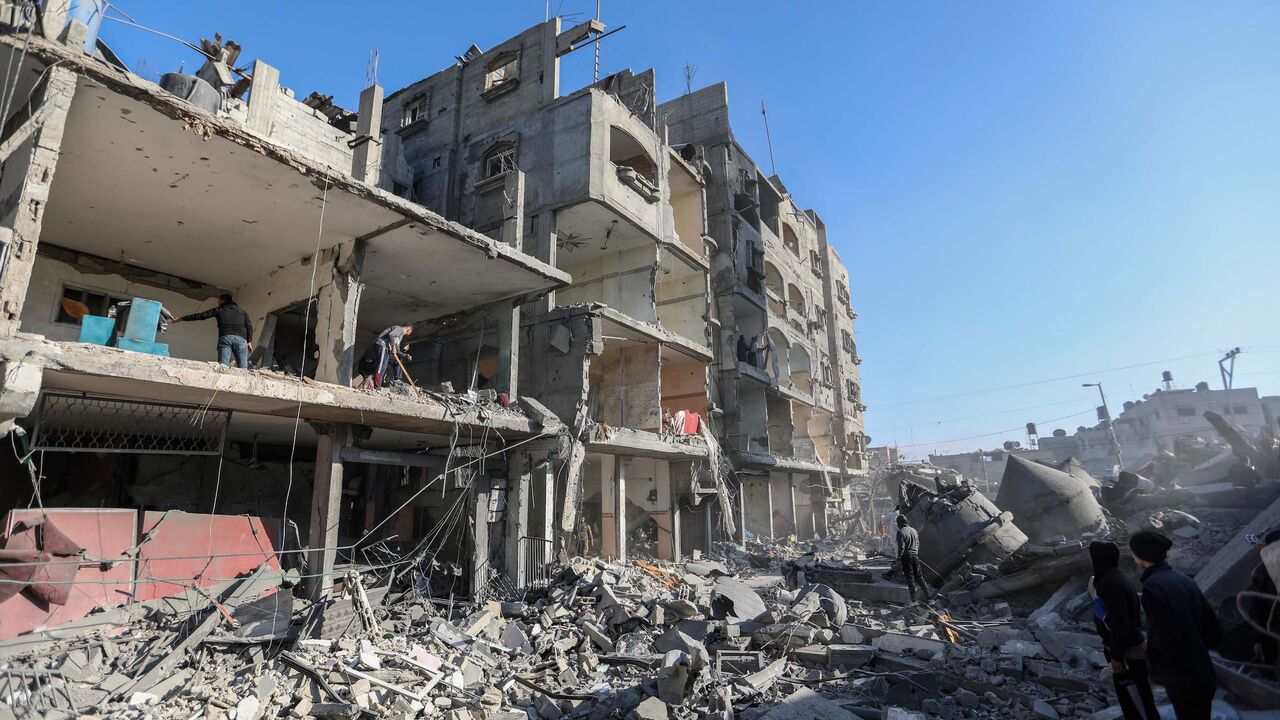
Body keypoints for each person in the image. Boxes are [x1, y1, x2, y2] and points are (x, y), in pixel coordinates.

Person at [1128, 530, 1222, 720]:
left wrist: (1154, 665)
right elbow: (1211, 626)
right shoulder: (1184, 579)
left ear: (1140, 557)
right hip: (1203, 670)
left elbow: (1162, 634)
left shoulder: (1153, 586)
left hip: (1182, 676)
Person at [1089, 540, 1160, 720]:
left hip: (1127, 652)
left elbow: (1120, 623)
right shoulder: (1114, 576)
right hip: (1127, 647)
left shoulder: (1110, 583)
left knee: (1136, 698)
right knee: (1131, 696)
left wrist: (1116, 656)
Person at [171, 294, 253, 368]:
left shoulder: (219, 309)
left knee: (223, 367)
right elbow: (249, 326)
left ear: (222, 300)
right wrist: (249, 341)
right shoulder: (242, 312)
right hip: (241, 340)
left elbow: (201, 315)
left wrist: (182, 318)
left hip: (225, 338)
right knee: (243, 369)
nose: (218, 303)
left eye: (218, 301)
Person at [1243, 527, 1280, 678]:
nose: (1258, 549)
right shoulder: (1262, 573)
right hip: (1271, 639)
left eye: (1261, 545)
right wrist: (1259, 639)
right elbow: (1258, 608)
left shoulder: (1265, 573)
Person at [358, 324, 414, 389]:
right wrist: (393, 346)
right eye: (411, 332)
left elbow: (397, 350)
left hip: (387, 350)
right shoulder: (399, 329)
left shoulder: (400, 337)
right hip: (382, 346)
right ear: (409, 329)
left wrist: (405, 355)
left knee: (397, 360)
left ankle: (397, 378)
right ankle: (377, 386)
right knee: (381, 367)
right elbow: (391, 334)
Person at [895, 515, 930, 604]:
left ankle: (914, 600)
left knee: (910, 579)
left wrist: (898, 558)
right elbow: (918, 543)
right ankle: (929, 597)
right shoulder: (914, 530)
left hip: (906, 557)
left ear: (899, 523)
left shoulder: (900, 532)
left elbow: (901, 547)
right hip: (915, 556)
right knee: (920, 577)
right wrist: (915, 552)